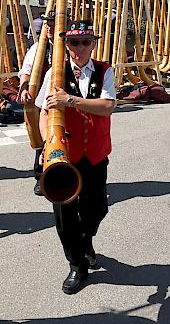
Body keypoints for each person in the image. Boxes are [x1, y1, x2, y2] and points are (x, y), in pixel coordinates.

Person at [36, 19, 117, 295]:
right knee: (65, 215)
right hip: (65, 156)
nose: (79, 48)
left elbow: (106, 106)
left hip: (95, 154)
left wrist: (70, 100)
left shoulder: (105, 71)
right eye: (73, 42)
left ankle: (85, 243)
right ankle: (77, 264)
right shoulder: (53, 75)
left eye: (85, 42)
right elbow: (44, 113)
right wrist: (50, 143)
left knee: (97, 208)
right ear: (66, 45)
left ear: (93, 44)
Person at [18, 11, 56, 196]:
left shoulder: (70, 46)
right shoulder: (37, 48)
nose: (49, 28)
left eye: (54, 24)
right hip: (42, 101)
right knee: (42, 140)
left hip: (64, 100)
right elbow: (26, 71)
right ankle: (41, 178)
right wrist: (24, 89)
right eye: (47, 24)